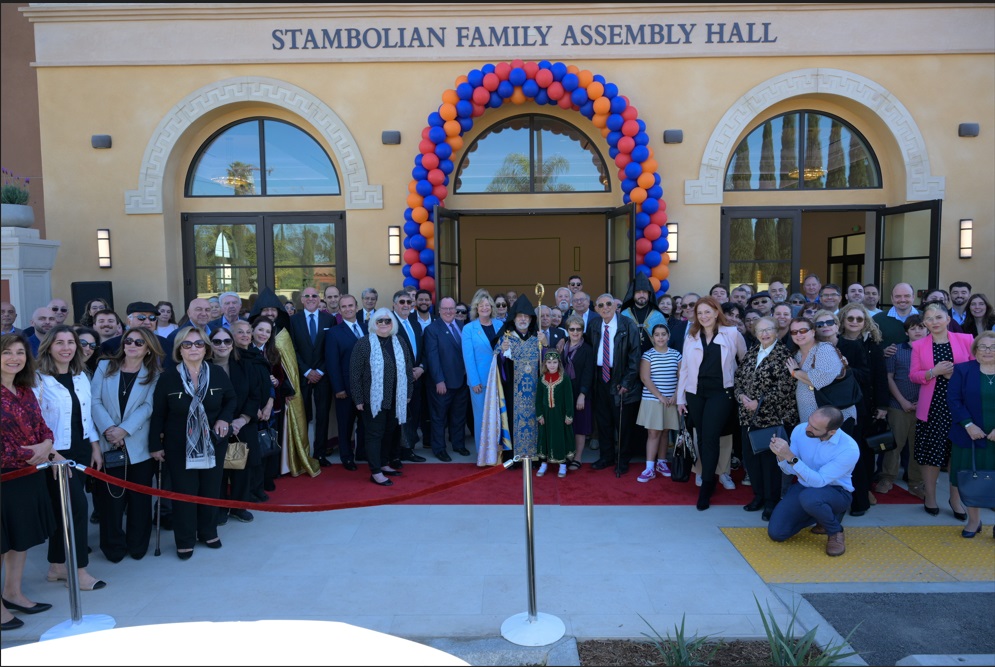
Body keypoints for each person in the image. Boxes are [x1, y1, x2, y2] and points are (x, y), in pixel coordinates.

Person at [149, 326, 236, 559]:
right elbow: (157, 413)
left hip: (213, 442)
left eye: (199, 344)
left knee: (210, 489)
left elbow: (231, 398)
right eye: (187, 344)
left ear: (206, 347)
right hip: (178, 445)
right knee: (185, 492)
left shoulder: (217, 373)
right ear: (179, 348)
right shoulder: (168, 377)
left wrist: (225, 419)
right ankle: (185, 539)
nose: (193, 348)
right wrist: (154, 446)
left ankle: (208, 532)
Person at [34, 325, 106, 590]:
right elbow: (34, 422)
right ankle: (79, 570)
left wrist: (95, 446)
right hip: (56, 455)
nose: (66, 348)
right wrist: (54, 455)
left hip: (81, 450)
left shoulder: (80, 376)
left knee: (63, 510)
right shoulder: (37, 379)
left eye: (71, 342)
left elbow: (85, 417)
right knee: (76, 509)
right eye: (59, 342)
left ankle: (56, 566)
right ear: (48, 347)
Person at [90, 327, 163, 562]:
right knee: (111, 500)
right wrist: (110, 429)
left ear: (148, 348)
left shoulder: (155, 373)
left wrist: (124, 430)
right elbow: (94, 400)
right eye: (128, 340)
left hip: (138, 444)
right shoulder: (105, 366)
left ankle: (138, 544)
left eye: (139, 342)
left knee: (140, 500)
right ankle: (113, 547)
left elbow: (148, 407)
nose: (132, 345)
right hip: (108, 441)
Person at [1, 334, 56, 630]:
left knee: (20, 538)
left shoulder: (25, 389)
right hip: (4, 477)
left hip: (27, 475)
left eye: (20, 352)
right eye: (7, 352)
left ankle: (12, 591)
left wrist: (46, 443)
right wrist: (30, 453)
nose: (14, 358)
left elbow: (42, 426)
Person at [677, 296, 747, 509]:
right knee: (701, 437)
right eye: (700, 313)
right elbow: (685, 369)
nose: (704, 316)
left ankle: (707, 484)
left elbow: (744, 364)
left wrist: (743, 393)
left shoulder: (733, 334)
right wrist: (680, 398)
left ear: (717, 312)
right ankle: (706, 475)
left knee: (710, 437)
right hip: (695, 393)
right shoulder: (691, 335)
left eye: (708, 311)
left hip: (721, 393)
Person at [909, 302, 975, 519]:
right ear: (924, 323)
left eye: (939, 317)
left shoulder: (966, 340)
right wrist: (932, 372)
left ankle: (955, 499)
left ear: (948, 319)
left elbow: (976, 371)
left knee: (957, 455)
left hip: (960, 407)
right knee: (932, 454)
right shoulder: (919, 345)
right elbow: (914, 375)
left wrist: (953, 376)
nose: (934, 322)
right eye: (929, 319)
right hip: (933, 407)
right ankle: (930, 496)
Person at [767, 407, 860, 557]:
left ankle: (835, 530)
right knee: (777, 533)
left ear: (832, 432)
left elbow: (820, 481)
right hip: (805, 487)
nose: (807, 427)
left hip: (837, 492)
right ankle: (821, 515)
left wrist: (790, 457)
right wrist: (780, 456)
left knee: (810, 498)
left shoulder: (849, 449)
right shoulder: (800, 430)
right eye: (809, 421)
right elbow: (791, 470)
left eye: (814, 428)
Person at [734, 316, 798, 521]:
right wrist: (741, 396)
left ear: (777, 332)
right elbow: (738, 379)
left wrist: (759, 402)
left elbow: (786, 388)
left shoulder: (784, 354)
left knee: (770, 463)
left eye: (769, 329)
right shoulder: (752, 352)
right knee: (751, 460)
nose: (764, 334)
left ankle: (771, 501)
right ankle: (759, 496)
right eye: (760, 330)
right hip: (747, 417)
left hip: (772, 418)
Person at [249, 288, 317, 478]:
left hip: (279, 394)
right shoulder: (250, 336)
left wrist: (285, 387)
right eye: (265, 310)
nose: (270, 313)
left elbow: (289, 366)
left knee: (276, 430)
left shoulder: (283, 333)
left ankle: (280, 466)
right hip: (256, 395)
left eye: (273, 309)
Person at [350, 308, 414, 487]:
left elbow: (408, 370)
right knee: (374, 434)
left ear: (393, 323)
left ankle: (384, 463)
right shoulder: (364, 344)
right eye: (380, 321)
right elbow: (355, 374)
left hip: (396, 398)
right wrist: (358, 399)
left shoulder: (399, 341)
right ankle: (375, 471)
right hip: (373, 399)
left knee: (389, 432)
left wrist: (408, 393)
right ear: (373, 323)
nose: (384, 324)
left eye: (388, 321)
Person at [587, 293, 643, 476]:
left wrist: (627, 382)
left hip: (620, 378)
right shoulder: (594, 324)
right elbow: (589, 349)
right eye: (600, 305)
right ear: (595, 308)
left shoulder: (628, 325)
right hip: (599, 378)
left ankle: (622, 460)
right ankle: (606, 457)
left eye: (608, 304)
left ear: (615, 306)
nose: (605, 307)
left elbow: (635, 357)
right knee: (603, 422)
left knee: (623, 423)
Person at [946, 331, 995, 538]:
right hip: (969, 436)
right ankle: (974, 521)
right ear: (975, 350)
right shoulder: (963, 370)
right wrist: (968, 425)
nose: (988, 351)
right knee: (969, 478)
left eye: (993, 347)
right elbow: (953, 399)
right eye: (983, 346)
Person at [210, 325, 260, 525]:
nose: (222, 345)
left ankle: (239, 506)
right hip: (213, 426)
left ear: (232, 344)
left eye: (227, 341)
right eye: (217, 341)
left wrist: (243, 419)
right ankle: (220, 508)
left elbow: (255, 395)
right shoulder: (202, 366)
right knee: (217, 470)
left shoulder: (245, 365)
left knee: (240, 467)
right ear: (210, 344)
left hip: (241, 425)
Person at [880, 315, 927, 498]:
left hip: (923, 406)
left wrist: (921, 403)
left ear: (927, 330)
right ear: (907, 331)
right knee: (894, 445)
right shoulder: (897, 351)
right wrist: (903, 401)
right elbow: (889, 377)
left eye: (921, 327)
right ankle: (887, 478)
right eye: (913, 328)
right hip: (899, 405)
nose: (917, 331)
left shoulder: (932, 352)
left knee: (918, 446)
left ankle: (916, 482)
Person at [288, 286, 335, 466]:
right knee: (303, 416)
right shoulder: (293, 320)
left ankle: (320, 453)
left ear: (319, 298)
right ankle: (303, 453)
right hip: (302, 375)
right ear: (301, 299)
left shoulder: (329, 319)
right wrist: (307, 371)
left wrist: (320, 371)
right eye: (306, 296)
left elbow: (330, 349)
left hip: (323, 376)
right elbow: (293, 349)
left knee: (322, 416)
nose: (310, 298)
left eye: (314, 295)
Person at [494, 293, 543, 463]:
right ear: (513, 319)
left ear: (531, 319)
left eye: (526, 316)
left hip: (535, 392)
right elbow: (496, 367)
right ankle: (513, 457)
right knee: (513, 421)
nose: (523, 319)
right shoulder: (506, 339)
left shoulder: (537, 339)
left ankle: (534, 457)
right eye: (519, 316)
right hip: (512, 393)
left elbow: (548, 365)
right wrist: (501, 353)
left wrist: (545, 346)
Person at [249, 313, 294, 493]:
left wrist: (277, 382)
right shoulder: (245, 350)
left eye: (267, 331)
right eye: (260, 330)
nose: (263, 334)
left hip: (272, 404)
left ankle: (269, 477)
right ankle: (256, 482)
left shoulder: (273, 351)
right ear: (252, 330)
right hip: (253, 405)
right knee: (255, 444)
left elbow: (281, 377)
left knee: (270, 441)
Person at [424, 297, 470, 461]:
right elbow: (432, 357)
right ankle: (439, 449)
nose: (450, 312)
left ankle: (458, 445)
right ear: (439, 310)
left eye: (453, 309)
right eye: (446, 309)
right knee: (439, 417)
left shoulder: (462, 326)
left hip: (462, 381)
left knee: (459, 416)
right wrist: (439, 380)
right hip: (442, 383)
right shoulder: (432, 329)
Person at [325, 294, 367, 471]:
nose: (348, 309)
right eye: (344, 307)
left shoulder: (368, 328)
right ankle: (346, 456)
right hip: (346, 389)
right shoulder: (334, 333)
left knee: (366, 423)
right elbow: (332, 363)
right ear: (340, 310)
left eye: (351, 305)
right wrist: (339, 388)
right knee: (345, 425)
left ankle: (363, 453)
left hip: (367, 387)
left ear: (356, 307)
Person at [636, 323, 682, 482]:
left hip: (671, 400)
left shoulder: (676, 354)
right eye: (657, 334)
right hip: (653, 399)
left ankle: (662, 462)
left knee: (665, 432)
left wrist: (676, 395)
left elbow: (681, 376)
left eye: (663, 334)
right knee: (654, 432)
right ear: (652, 337)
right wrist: (660, 396)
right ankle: (649, 468)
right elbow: (645, 378)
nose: (660, 337)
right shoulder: (648, 355)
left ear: (668, 336)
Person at [389, 290, 428, 464]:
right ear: (394, 305)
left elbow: (423, 350)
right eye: (402, 302)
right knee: (398, 418)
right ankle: (396, 453)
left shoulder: (415, 323)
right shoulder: (389, 324)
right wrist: (406, 372)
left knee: (413, 415)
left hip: (416, 378)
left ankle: (408, 449)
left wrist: (421, 368)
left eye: (408, 302)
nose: (406, 305)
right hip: (398, 380)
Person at [462, 290, 501, 443]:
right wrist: (474, 381)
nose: (485, 308)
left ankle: (498, 450)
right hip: (480, 381)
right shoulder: (469, 329)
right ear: (476, 308)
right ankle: (483, 453)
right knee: (481, 417)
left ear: (492, 307)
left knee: (498, 415)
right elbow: (468, 357)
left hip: (499, 378)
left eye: (488, 305)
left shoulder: (500, 325)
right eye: (481, 305)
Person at [561, 315, 594, 470]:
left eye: (578, 329)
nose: (575, 332)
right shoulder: (562, 347)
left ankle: (578, 457)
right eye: (572, 329)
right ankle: (568, 454)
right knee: (566, 424)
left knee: (580, 426)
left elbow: (589, 373)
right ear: (567, 331)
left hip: (580, 393)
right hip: (564, 393)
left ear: (582, 331)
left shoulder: (587, 349)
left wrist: (583, 394)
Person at [535, 351, 574, 478]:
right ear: (545, 363)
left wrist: (569, 415)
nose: (552, 365)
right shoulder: (541, 379)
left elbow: (569, 398)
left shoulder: (564, 378)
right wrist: (539, 414)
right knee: (544, 438)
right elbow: (538, 399)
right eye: (549, 362)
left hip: (560, 415)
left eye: (555, 362)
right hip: (546, 416)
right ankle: (544, 464)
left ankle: (562, 465)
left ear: (559, 363)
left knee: (560, 438)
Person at [620, 274, 668, 352]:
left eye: (645, 292)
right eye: (638, 292)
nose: (641, 295)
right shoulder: (624, 314)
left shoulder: (658, 315)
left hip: (653, 360)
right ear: (633, 294)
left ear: (649, 294)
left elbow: (665, 340)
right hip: (629, 360)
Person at [874, 282, 919, 354]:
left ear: (913, 297)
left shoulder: (925, 317)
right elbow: (869, 348)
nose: (903, 300)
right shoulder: (877, 319)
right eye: (898, 296)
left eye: (907, 296)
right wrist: (881, 352)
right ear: (892, 298)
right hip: (889, 364)